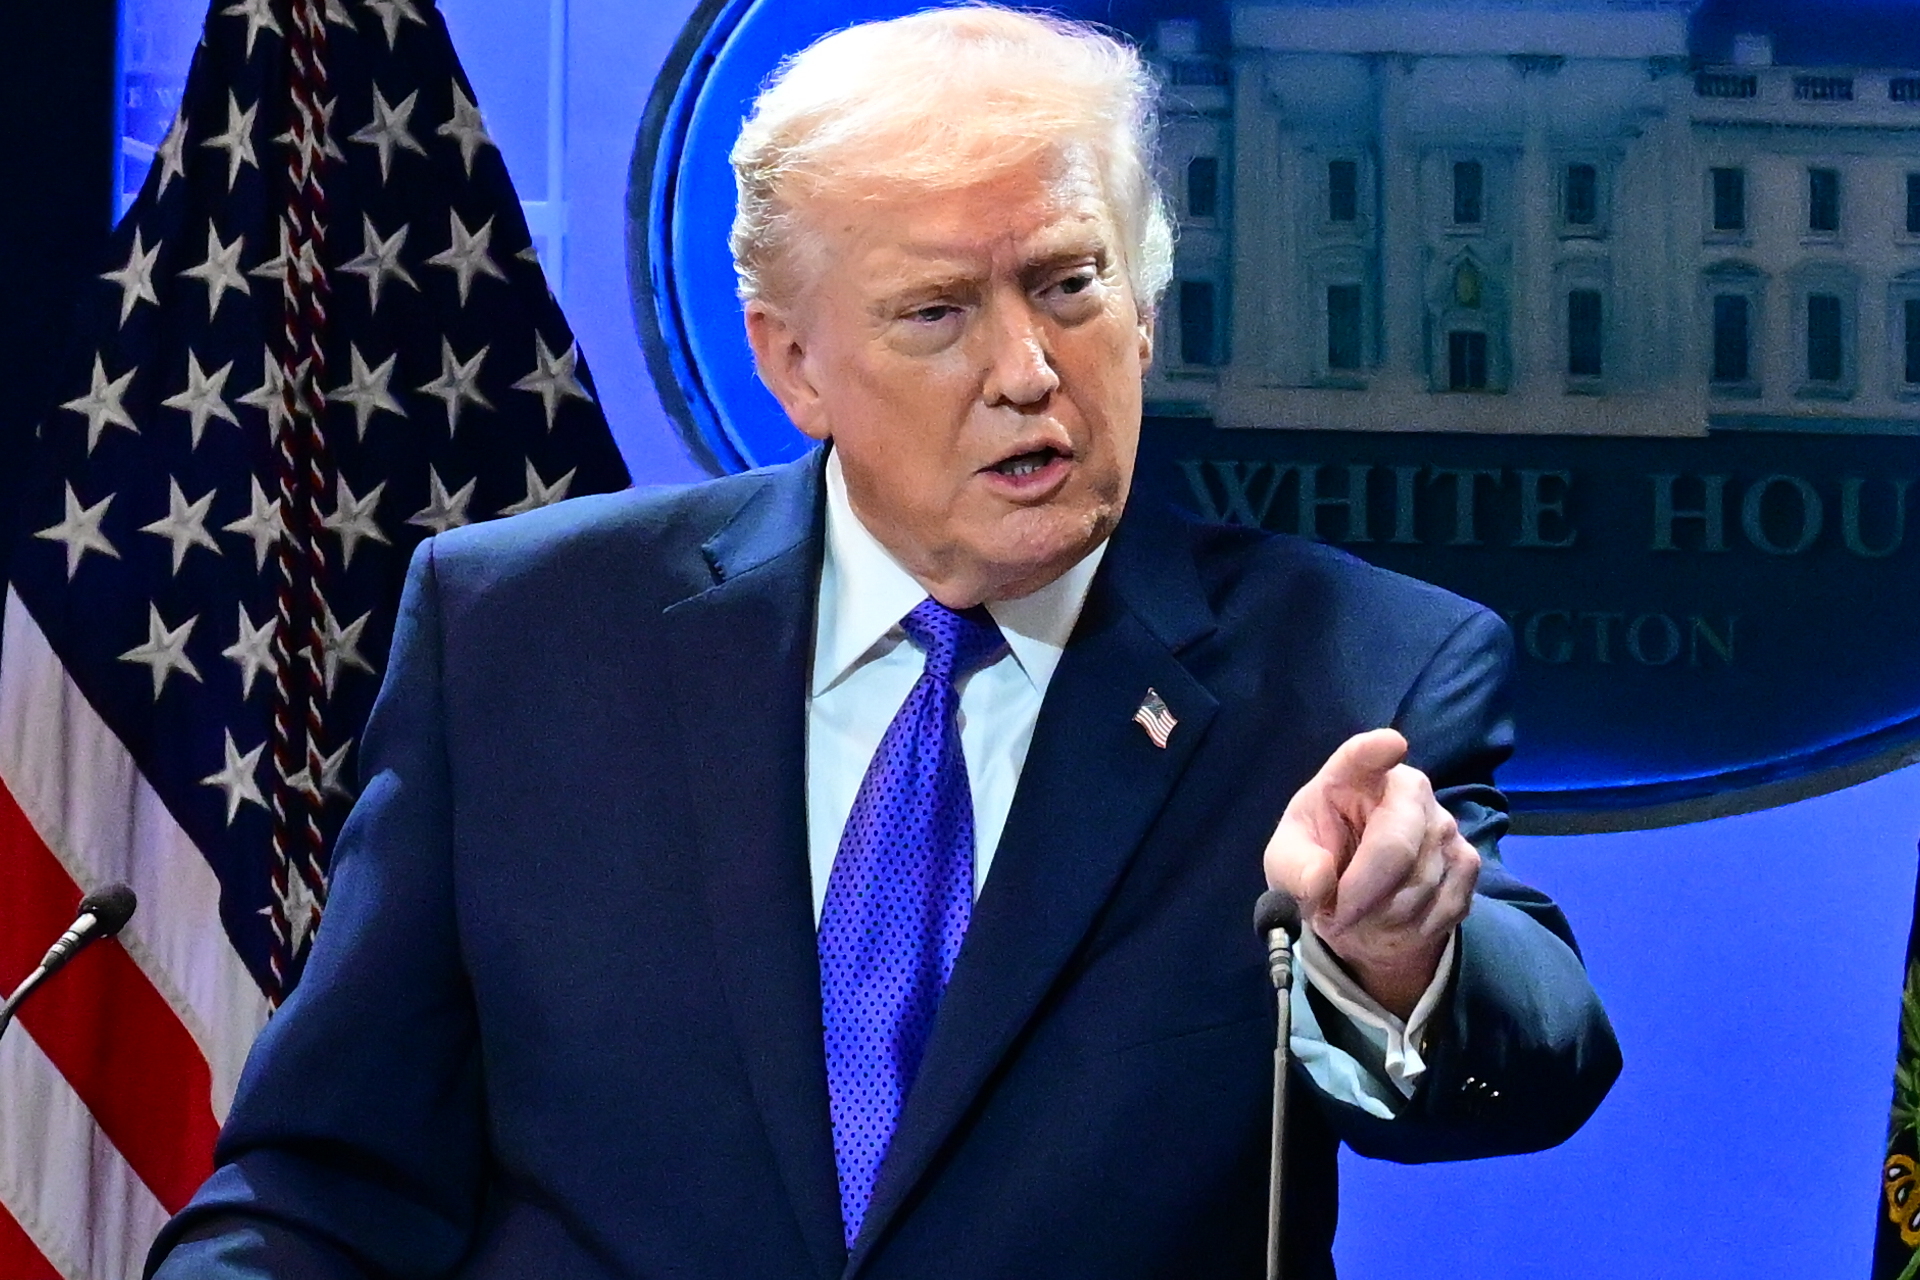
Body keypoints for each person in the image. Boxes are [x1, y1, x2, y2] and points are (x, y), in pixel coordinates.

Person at [147, 8, 1619, 1278]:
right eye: (936, 313)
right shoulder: (524, 633)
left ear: (1148, 305)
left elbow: (1544, 1054)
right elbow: (326, 1180)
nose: (1027, 372)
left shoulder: (1351, 667)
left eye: (1068, 283)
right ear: (792, 362)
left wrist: (1400, 953)